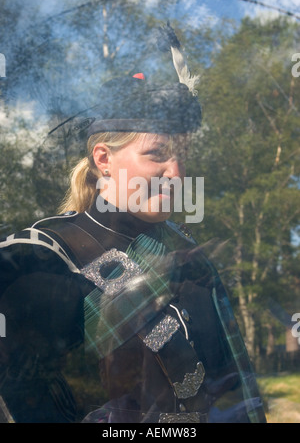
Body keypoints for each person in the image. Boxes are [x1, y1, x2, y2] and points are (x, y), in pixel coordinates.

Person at [0, 26, 267, 424]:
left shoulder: (190, 256)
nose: (176, 174)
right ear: (103, 159)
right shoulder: (39, 258)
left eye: (183, 156)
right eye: (157, 154)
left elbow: (236, 394)